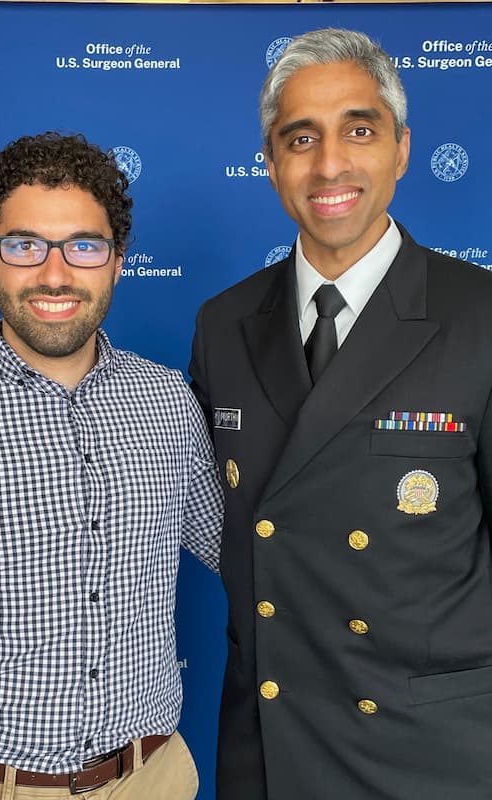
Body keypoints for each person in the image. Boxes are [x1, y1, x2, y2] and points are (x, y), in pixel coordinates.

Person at [189, 27, 492, 800]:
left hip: (428, 755)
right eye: (301, 138)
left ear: (401, 148)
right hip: (269, 750)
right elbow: (169, 479)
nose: (330, 164)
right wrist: (13, 387)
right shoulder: (223, 324)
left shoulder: (480, 315)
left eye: (359, 130)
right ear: (270, 163)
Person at [0, 131, 223, 800]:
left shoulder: (168, 401)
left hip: (151, 778)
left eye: (83, 245)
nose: (53, 273)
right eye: (23, 245)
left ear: (116, 262)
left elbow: (243, 549)